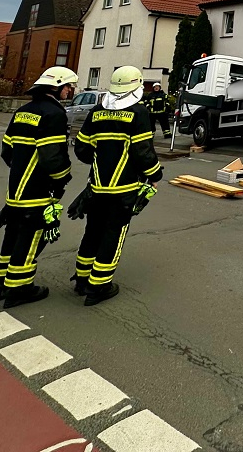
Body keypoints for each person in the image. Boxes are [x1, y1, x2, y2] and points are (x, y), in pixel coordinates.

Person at [70, 65, 163, 306]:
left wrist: (101, 160)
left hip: (96, 187)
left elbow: (81, 149)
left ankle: (82, 280)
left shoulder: (97, 111)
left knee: (93, 230)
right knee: (113, 233)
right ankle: (99, 286)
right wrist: (155, 175)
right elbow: (143, 151)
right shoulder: (138, 112)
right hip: (124, 189)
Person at [0, 66, 78, 307]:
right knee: (30, 238)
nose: (69, 91)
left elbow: (7, 150)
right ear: (57, 86)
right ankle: (19, 289)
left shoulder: (23, 111)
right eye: (68, 86)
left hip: (16, 188)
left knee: (12, 233)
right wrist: (62, 178)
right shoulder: (54, 114)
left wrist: (21, 169)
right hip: (38, 190)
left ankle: (2, 284)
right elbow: (52, 156)